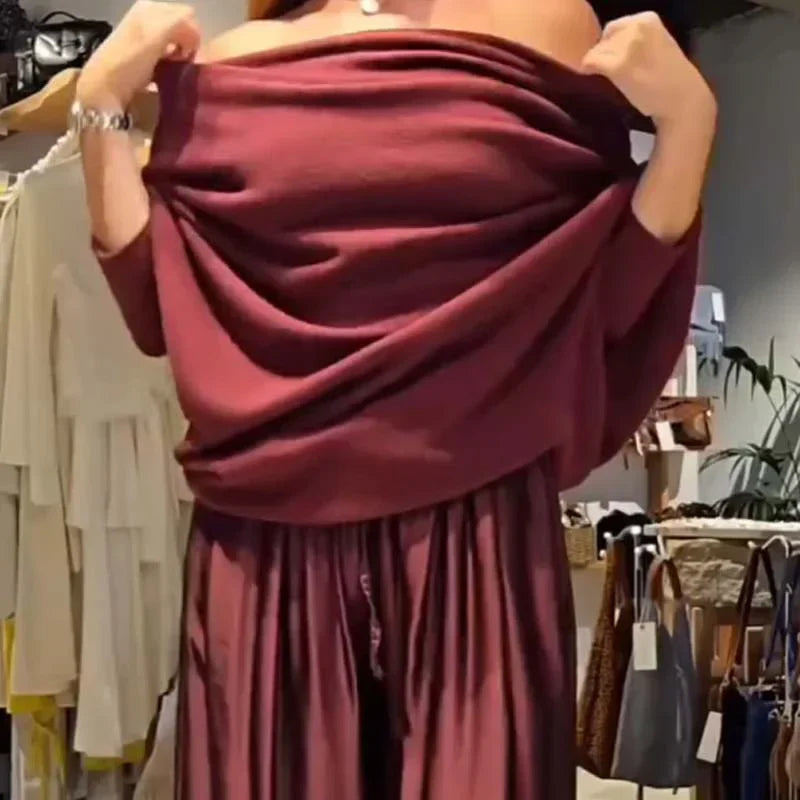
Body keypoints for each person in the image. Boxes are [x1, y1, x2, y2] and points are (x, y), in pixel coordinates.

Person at [76, 0, 715, 797]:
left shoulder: (542, 19)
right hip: (269, 545)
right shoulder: (238, 57)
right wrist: (98, 101)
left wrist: (690, 124)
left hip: (472, 537)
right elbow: (158, 303)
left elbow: (607, 297)